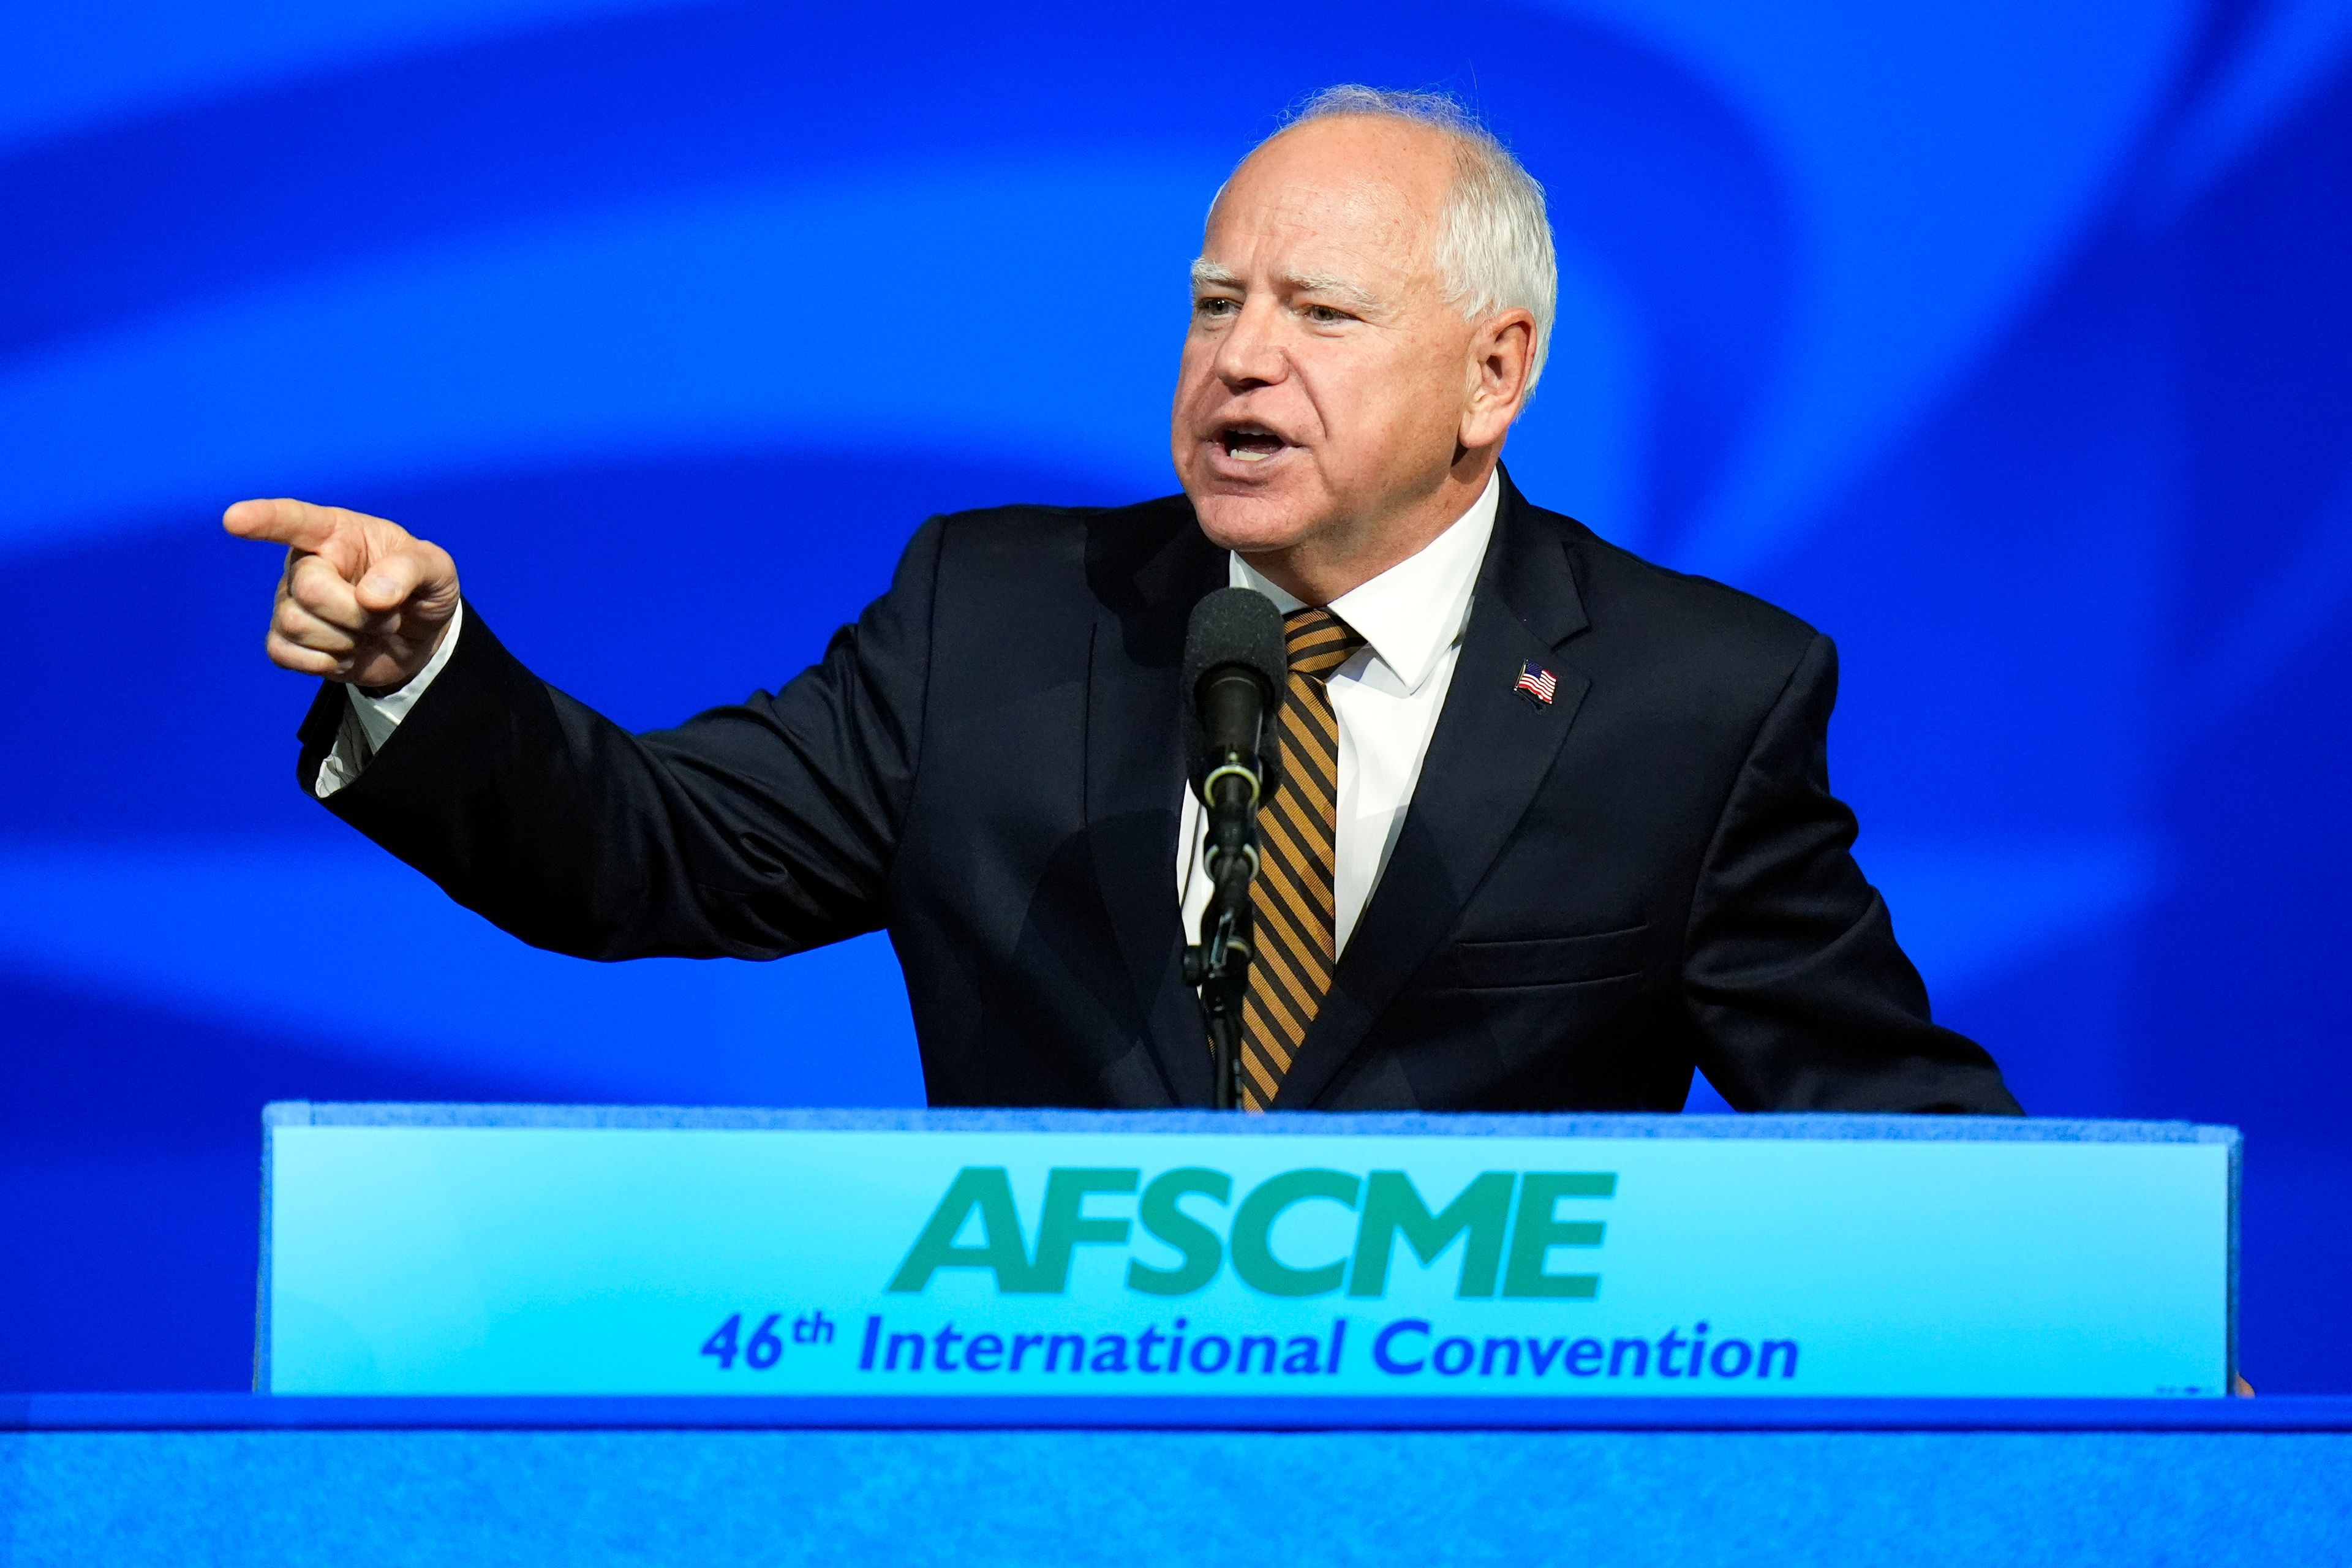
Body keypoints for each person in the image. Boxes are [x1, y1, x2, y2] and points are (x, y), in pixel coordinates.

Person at [224, 86, 2020, 1115]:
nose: (1240, 364)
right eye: (1212, 303)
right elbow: (642, 853)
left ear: (1496, 373)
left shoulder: (1694, 695)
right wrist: (426, 674)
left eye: (1319, 316)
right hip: (1040, 1470)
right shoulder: (995, 613)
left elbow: (1877, 1113)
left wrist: (2137, 1357)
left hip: (1478, 1492)